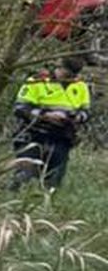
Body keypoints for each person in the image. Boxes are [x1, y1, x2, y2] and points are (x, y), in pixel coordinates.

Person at [13, 58, 89, 189]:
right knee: (24, 174)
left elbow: (86, 112)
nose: (70, 78)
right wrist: (45, 115)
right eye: (67, 74)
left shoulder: (80, 85)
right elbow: (20, 109)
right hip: (33, 133)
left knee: (54, 178)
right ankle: (11, 198)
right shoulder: (37, 81)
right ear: (58, 68)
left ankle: (47, 206)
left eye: (73, 75)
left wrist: (76, 117)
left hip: (62, 136)